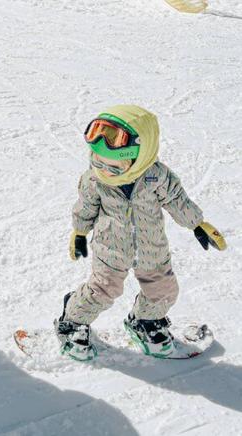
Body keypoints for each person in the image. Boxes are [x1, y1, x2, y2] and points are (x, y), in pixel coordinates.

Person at [56, 104, 226, 361]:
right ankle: (71, 323)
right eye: (97, 161)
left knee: (164, 290)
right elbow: (85, 208)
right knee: (103, 291)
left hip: (152, 247)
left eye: (113, 167)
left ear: (140, 158)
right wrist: (79, 233)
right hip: (111, 248)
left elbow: (177, 200)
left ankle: (145, 323)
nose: (103, 170)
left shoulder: (155, 176)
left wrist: (197, 224)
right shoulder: (94, 180)